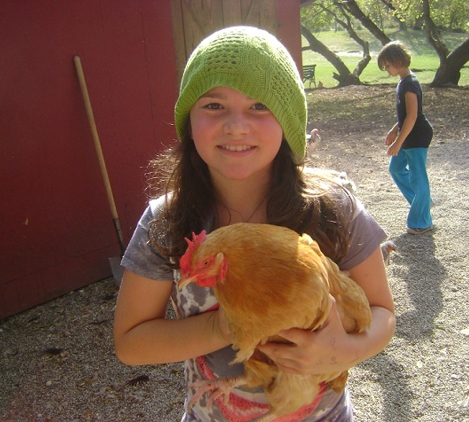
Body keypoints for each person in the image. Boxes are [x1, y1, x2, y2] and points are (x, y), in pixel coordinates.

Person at [114, 26, 395, 421]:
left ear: (288, 120)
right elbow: (130, 343)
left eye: (260, 106)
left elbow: (383, 312)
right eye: (214, 105)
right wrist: (228, 327)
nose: (236, 126)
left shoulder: (332, 207)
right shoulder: (166, 221)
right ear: (188, 121)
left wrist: (347, 351)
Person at [378, 41, 434, 235]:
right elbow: (405, 116)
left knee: (418, 177)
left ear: (398, 61)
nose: (386, 69)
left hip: (416, 136)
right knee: (396, 168)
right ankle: (422, 202)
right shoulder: (403, 82)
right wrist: (394, 130)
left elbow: (412, 116)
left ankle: (422, 222)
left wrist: (397, 143)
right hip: (407, 133)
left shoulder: (410, 84)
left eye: (387, 65)